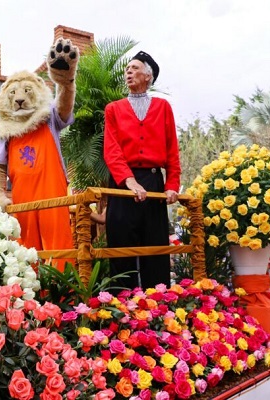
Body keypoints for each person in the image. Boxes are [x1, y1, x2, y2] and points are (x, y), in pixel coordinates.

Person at [103, 51, 181, 292]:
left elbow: (172, 150)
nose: (128, 71)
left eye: (135, 68)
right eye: (127, 68)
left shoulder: (163, 106)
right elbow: (112, 149)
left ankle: (158, 307)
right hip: (122, 182)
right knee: (120, 247)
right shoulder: (113, 109)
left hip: (154, 182)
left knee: (155, 247)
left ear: (148, 76)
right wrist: (129, 181)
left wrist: (172, 186)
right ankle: (119, 308)